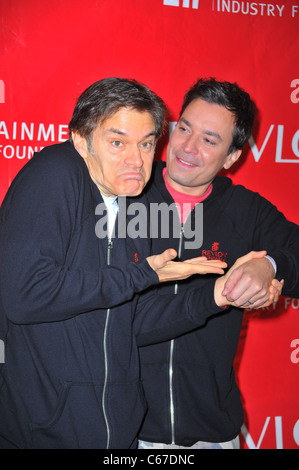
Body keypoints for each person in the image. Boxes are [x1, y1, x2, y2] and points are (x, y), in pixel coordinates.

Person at [0, 77, 232, 450]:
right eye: (117, 142)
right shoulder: (54, 174)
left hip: (117, 435)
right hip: (44, 431)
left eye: (146, 144)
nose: (136, 161)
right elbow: (24, 294)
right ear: (81, 140)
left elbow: (131, 319)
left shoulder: (132, 203)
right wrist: (141, 274)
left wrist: (215, 297)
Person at [137, 77, 299, 449]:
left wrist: (271, 265)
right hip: (124, 428)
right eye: (184, 129)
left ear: (231, 157)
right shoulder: (128, 193)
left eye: (209, 140)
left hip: (212, 431)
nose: (187, 148)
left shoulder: (246, 210)